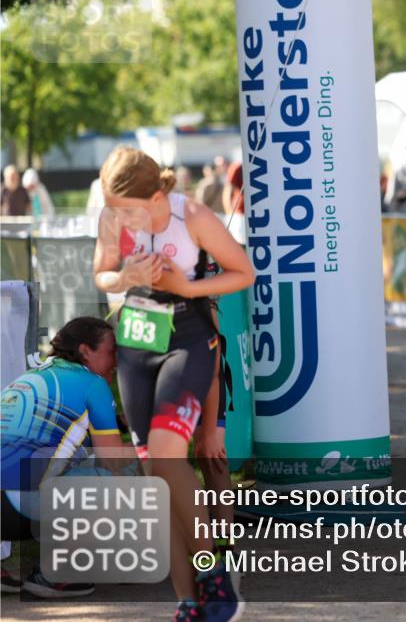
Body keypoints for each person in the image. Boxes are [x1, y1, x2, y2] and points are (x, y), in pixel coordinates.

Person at [92, 146, 251, 621]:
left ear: (157, 197)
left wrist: (187, 288)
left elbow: (243, 272)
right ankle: (188, 602)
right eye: (114, 211)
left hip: (188, 335)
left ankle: (212, 573)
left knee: (166, 454)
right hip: (137, 340)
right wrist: (123, 275)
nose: (121, 220)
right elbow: (101, 274)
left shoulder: (193, 216)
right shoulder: (112, 217)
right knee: (154, 475)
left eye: (129, 211)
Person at [1, 317, 133, 598]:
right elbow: (113, 460)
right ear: (85, 351)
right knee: (132, 470)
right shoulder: (93, 384)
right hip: (21, 511)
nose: (116, 361)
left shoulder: (29, 377)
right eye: (111, 352)